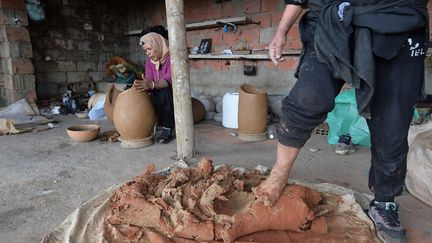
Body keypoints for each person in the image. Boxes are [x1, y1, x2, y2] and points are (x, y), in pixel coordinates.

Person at [253, 1, 428, 242]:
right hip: (333, 19)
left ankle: (384, 202)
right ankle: (278, 175)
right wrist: (281, 31)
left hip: (398, 18)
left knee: (393, 122)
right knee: (308, 98)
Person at [134, 32, 175, 144]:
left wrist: (151, 84)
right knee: (142, 93)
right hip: (157, 95)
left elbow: (168, 81)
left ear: (158, 45)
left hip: (172, 97)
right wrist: (145, 83)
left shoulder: (172, 58)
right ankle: (142, 125)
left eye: (149, 49)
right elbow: (149, 80)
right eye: (145, 51)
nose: (148, 53)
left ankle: (167, 129)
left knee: (164, 91)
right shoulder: (150, 63)